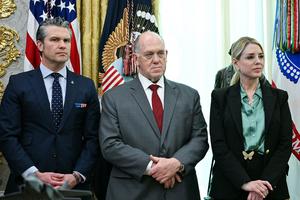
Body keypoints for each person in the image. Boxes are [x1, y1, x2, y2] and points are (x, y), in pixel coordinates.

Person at [99, 31, 209, 200]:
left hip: (180, 191)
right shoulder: (114, 98)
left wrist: (176, 164)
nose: (156, 60)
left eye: (160, 53)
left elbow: (200, 139)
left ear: (166, 55)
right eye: (149, 54)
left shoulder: (189, 95)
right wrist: (153, 167)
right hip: (132, 191)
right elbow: (110, 145)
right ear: (135, 59)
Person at [0, 17, 100, 194]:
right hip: (27, 185)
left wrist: (77, 175)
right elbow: (7, 136)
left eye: (66, 40)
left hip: (73, 186)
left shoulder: (86, 86)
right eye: (55, 40)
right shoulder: (18, 84)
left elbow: (93, 138)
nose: (62, 45)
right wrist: (33, 174)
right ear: (39, 45)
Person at [209, 36, 292, 200]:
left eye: (260, 56)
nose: (258, 61)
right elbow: (219, 145)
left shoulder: (279, 97)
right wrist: (245, 182)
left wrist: (263, 184)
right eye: (250, 57)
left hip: (271, 186)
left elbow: (285, 145)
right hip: (230, 185)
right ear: (236, 63)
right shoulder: (220, 98)